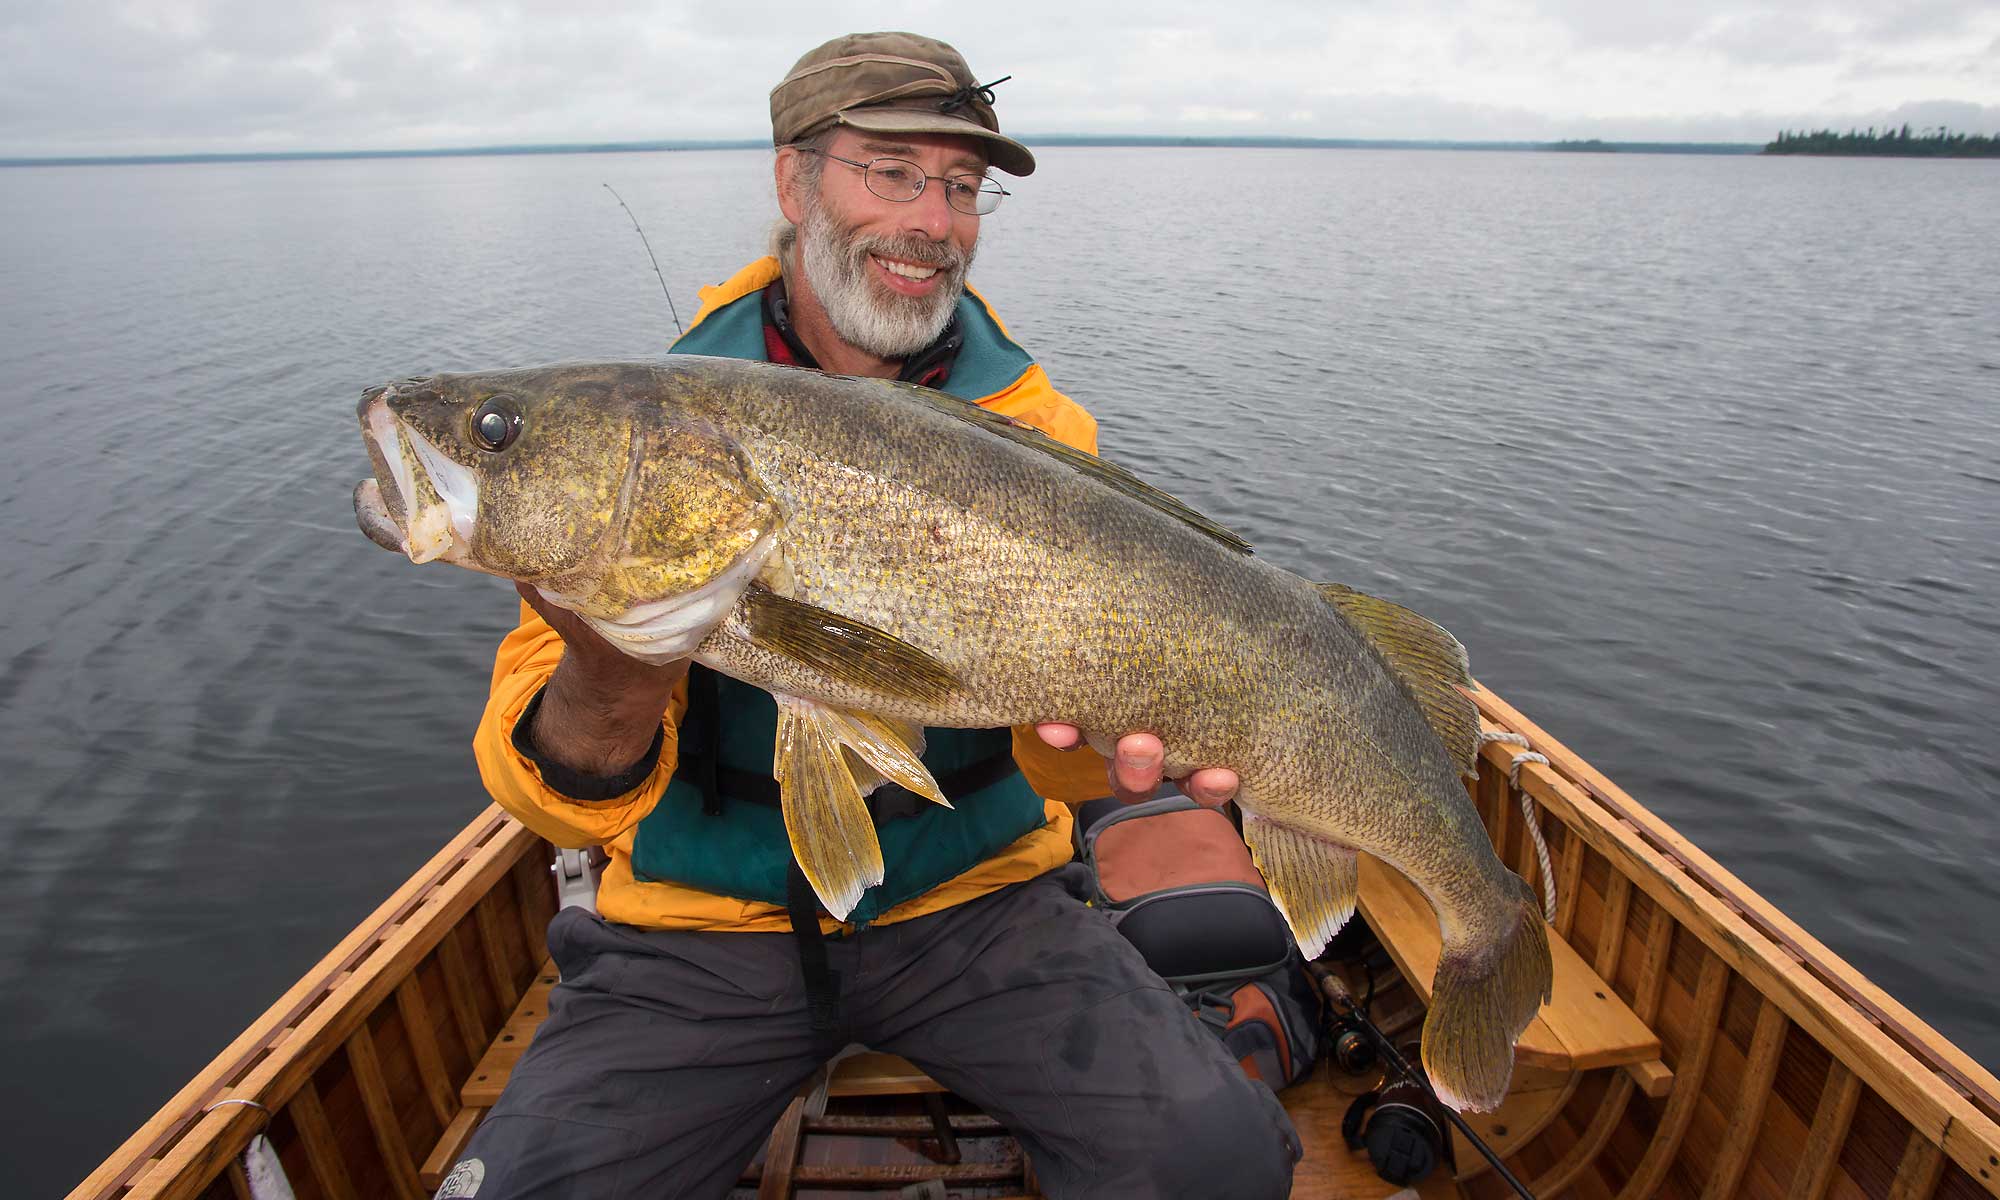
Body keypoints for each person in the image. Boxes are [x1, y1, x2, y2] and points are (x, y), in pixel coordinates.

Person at [445, 31, 1301, 1200]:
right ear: (793, 183)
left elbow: (1048, 773)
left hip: (976, 906)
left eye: (959, 187)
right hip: (698, 932)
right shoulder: (640, 443)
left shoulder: (1039, 437)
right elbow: (543, 791)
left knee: (1217, 1164)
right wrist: (614, 663)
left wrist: (1114, 745)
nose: (932, 219)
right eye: (889, 170)